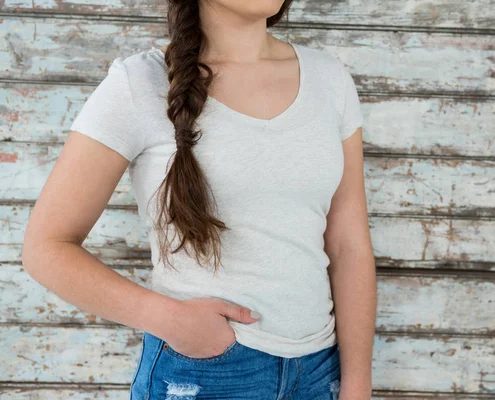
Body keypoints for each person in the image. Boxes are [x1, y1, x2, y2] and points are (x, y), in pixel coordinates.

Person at [22, 0, 377, 398]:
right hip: (205, 372)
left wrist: (358, 380)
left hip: (320, 371)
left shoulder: (329, 79)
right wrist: (169, 319)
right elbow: (45, 247)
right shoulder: (140, 83)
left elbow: (349, 244)